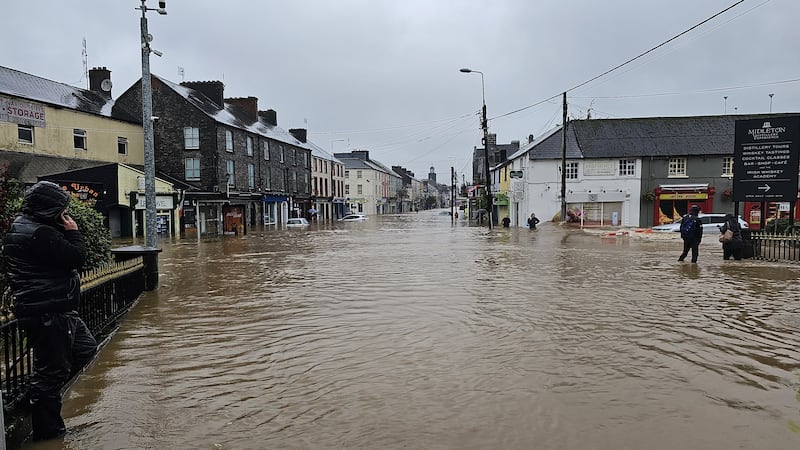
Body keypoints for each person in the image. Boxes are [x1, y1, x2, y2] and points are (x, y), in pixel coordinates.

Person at [2, 181, 98, 441]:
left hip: (55, 308)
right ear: (49, 209)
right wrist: (73, 232)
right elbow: (77, 257)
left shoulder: (25, 226)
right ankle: (49, 435)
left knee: (85, 348)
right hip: (49, 311)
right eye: (61, 209)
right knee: (51, 374)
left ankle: (31, 398)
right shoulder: (41, 233)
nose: (64, 214)